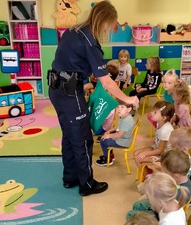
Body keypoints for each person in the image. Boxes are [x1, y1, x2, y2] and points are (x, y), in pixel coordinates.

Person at [48, 1, 139, 197]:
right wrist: (128, 99)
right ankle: (86, 184)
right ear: (105, 21)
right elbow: (107, 82)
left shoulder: (73, 31)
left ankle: (70, 177)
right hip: (70, 94)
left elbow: (67, 64)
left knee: (69, 135)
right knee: (82, 139)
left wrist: (83, 84)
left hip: (57, 90)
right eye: (111, 25)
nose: (110, 30)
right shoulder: (90, 41)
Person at [127, 149, 191, 221]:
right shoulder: (181, 176)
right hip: (162, 209)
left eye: (165, 171)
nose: (163, 171)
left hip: (159, 213)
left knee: (132, 214)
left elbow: (159, 205)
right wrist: (161, 167)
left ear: (175, 176)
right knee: (138, 203)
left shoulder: (178, 194)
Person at [134, 101, 174, 168]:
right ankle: (147, 172)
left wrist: (145, 153)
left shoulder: (165, 130)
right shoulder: (159, 123)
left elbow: (160, 150)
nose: (151, 113)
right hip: (156, 148)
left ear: (163, 118)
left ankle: (146, 176)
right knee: (136, 154)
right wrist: (144, 140)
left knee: (138, 158)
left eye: (155, 112)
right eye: (153, 110)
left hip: (164, 156)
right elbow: (157, 139)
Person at [96, 101, 135, 166]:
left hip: (123, 141)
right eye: (118, 107)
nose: (119, 109)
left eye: (122, 107)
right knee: (105, 136)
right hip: (123, 138)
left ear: (129, 109)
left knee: (103, 141)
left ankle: (107, 159)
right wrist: (110, 131)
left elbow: (119, 134)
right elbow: (118, 127)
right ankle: (110, 155)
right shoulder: (124, 116)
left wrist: (109, 135)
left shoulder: (126, 121)